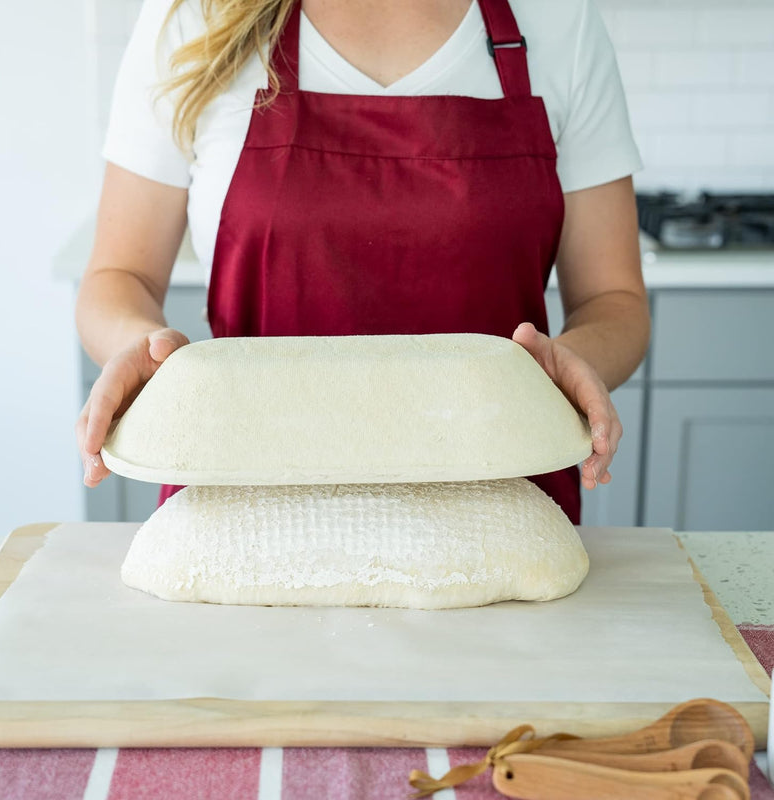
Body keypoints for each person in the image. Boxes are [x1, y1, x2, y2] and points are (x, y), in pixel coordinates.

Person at [75, 0, 650, 523]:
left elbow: (613, 301)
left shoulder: (558, 21)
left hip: (501, 504)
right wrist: (144, 349)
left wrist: (572, 362)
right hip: (241, 503)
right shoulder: (196, 17)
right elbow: (119, 278)